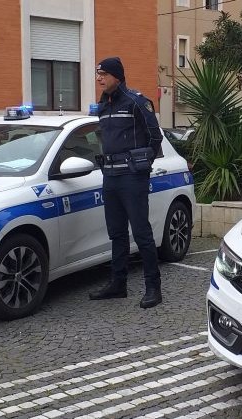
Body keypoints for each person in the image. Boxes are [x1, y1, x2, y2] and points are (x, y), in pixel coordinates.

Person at [88, 57, 164, 309]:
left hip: (132, 178)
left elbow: (155, 137)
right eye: (98, 74)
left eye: (103, 74)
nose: (99, 79)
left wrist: (141, 166)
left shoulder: (136, 102)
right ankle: (118, 284)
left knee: (141, 233)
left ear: (117, 76)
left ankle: (153, 288)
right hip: (110, 177)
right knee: (117, 233)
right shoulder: (103, 105)